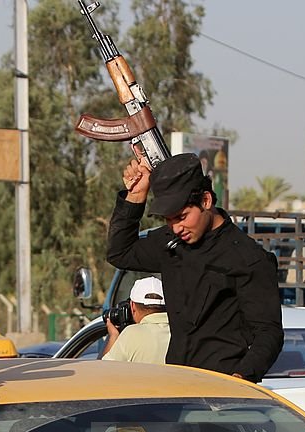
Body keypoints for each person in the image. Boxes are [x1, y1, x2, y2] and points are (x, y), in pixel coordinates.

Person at [107, 153, 283, 382]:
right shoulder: (171, 242)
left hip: (222, 395)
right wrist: (136, 195)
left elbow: (268, 333)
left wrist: (240, 378)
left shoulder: (248, 258)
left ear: (206, 201)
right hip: (177, 388)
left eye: (182, 216)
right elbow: (120, 253)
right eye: (169, 220)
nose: (176, 227)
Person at [102, 276, 171, 364]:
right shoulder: (182, 333)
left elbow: (105, 368)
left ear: (132, 306)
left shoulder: (131, 334)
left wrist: (113, 336)